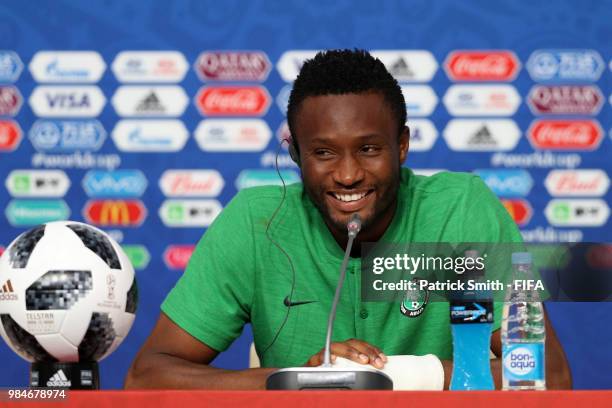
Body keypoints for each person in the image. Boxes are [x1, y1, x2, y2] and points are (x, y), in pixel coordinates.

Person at [125, 49, 571, 389]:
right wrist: (301, 379)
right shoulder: (255, 223)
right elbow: (148, 375)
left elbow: (548, 373)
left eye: (369, 149)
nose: (347, 174)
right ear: (296, 155)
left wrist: (398, 374)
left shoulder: (462, 213)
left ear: (402, 146)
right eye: (322, 153)